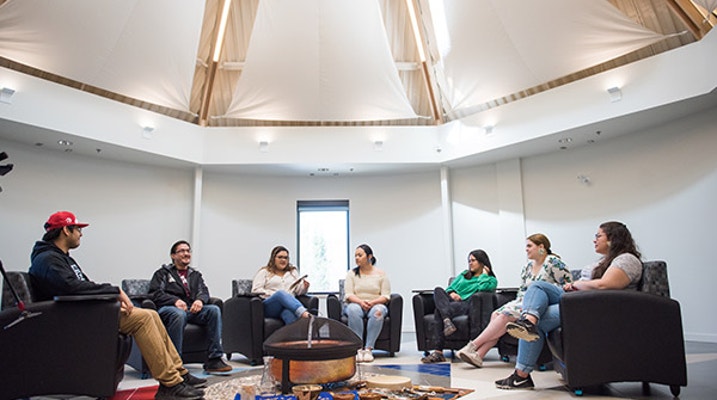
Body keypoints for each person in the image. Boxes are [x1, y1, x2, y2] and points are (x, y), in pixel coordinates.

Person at [28, 211, 206, 400]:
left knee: (150, 314)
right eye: (78, 229)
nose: (81, 234)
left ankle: (180, 374)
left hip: (83, 312)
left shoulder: (62, 258)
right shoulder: (48, 259)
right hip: (71, 319)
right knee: (144, 318)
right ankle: (170, 384)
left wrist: (110, 302)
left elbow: (81, 287)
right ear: (65, 230)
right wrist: (114, 292)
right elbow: (71, 288)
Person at [496, 221, 643, 390]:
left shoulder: (627, 259)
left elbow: (605, 285)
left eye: (598, 236)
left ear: (612, 238)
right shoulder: (607, 261)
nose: (594, 240)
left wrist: (577, 285)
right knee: (537, 286)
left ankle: (521, 375)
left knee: (540, 319)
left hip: (594, 307)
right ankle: (528, 321)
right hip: (581, 300)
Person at [455, 234, 572, 368]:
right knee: (495, 315)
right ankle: (478, 356)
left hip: (543, 302)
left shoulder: (553, 262)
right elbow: (522, 290)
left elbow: (567, 286)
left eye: (529, 246)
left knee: (506, 316)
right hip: (523, 300)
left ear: (541, 247)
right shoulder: (527, 267)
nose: (526, 249)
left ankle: (472, 346)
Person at [149, 240, 231, 373]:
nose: (186, 253)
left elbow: (204, 291)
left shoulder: (195, 275)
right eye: (182, 251)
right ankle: (175, 363)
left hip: (190, 309)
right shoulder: (162, 273)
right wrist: (174, 300)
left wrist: (200, 301)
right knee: (178, 314)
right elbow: (155, 293)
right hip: (169, 309)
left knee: (214, 310)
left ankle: (214, 359)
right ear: (173, 256)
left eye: (188, 251)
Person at [420, 249, 498, 363]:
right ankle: (447, 321)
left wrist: (484, 275)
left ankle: (438, 352)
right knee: (438, 290)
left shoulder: (491, 280)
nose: (470, 263)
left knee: (438, 312)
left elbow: (483, 288)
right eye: (469, 261)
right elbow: (449, 288)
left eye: (473, 260)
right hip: (451, 303)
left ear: (482, 262)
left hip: (466, 305)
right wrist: (452, 293)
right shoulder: (463, 275)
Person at [343, 244, 391, 363]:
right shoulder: (351, 274)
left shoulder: (381, 274)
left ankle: (368, 349)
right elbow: (348, 294)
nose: (357, 258)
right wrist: (360, 302)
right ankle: (358, 349)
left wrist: (372, 302)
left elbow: (386, 296)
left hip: (376, 303)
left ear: (369, 256)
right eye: (355, 256)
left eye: (360, 255)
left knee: (378, 311)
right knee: (354, 310)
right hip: (356, 303)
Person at [251, 245, 311, 325]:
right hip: (271, 306)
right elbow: (255, 290)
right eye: (280, 257)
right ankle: (305, 314)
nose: (283, 260)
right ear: (273, 259)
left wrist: (304, 287)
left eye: (286, 258)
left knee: (288, 314)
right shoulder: (264, 272)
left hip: (287, 305)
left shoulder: (292, 272)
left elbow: (297, 291)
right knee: (281, 294)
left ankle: (296, 336)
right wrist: (274, 294)